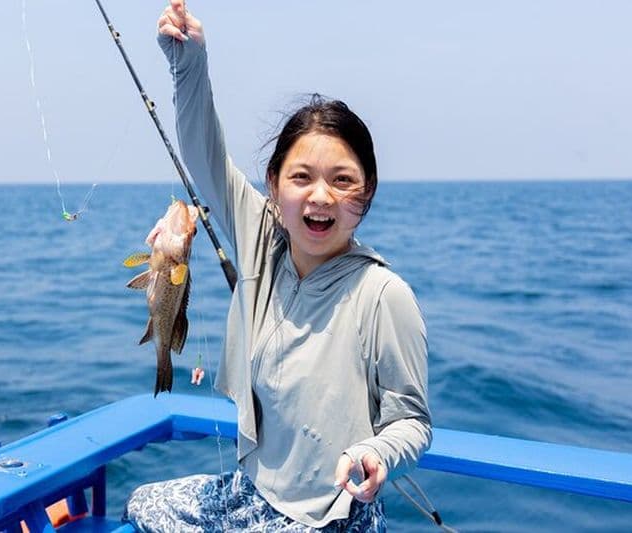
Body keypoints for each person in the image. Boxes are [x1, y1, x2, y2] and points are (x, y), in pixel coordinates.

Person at [124, 1, 432, 531]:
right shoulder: (261, 240)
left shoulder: (384, 295)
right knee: (142, 502)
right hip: (252, 493)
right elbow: (203, 156)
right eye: (301, 177)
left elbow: (412, 421)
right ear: (273, 185)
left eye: (342, 180)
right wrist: (189, 63)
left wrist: (376, 453)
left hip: (328, 515)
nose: (321, 196)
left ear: (368, 193)